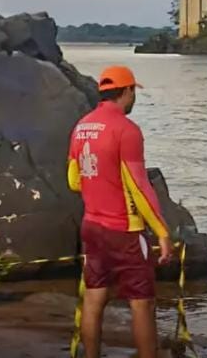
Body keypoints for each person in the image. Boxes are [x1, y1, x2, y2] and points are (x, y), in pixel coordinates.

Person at [67, 66, 173, 358]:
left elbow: (73, 180)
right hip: (123, 230)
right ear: (127, 91)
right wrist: (162, 232)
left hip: (92, 225)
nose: (133, 97)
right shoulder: (126, 130)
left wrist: (99, 185)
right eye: (133, 92)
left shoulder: (82, 126)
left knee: (94, 296)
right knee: (142, 302)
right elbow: (140, 187)